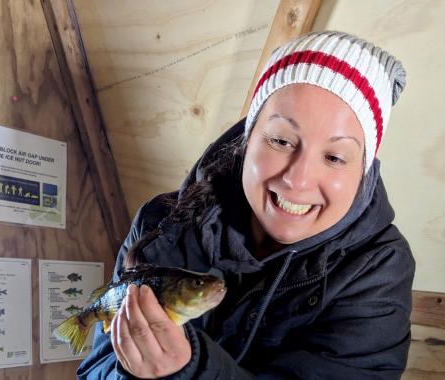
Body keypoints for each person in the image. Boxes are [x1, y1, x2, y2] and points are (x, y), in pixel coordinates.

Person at [77, 31, 415, 380]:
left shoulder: (379, 270)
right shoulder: (161, 224)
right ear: (248, 139)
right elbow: (96, 370)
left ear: (364, 171)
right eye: (281, 140)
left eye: (334, 156)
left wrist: (193, 372)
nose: (297, 180)